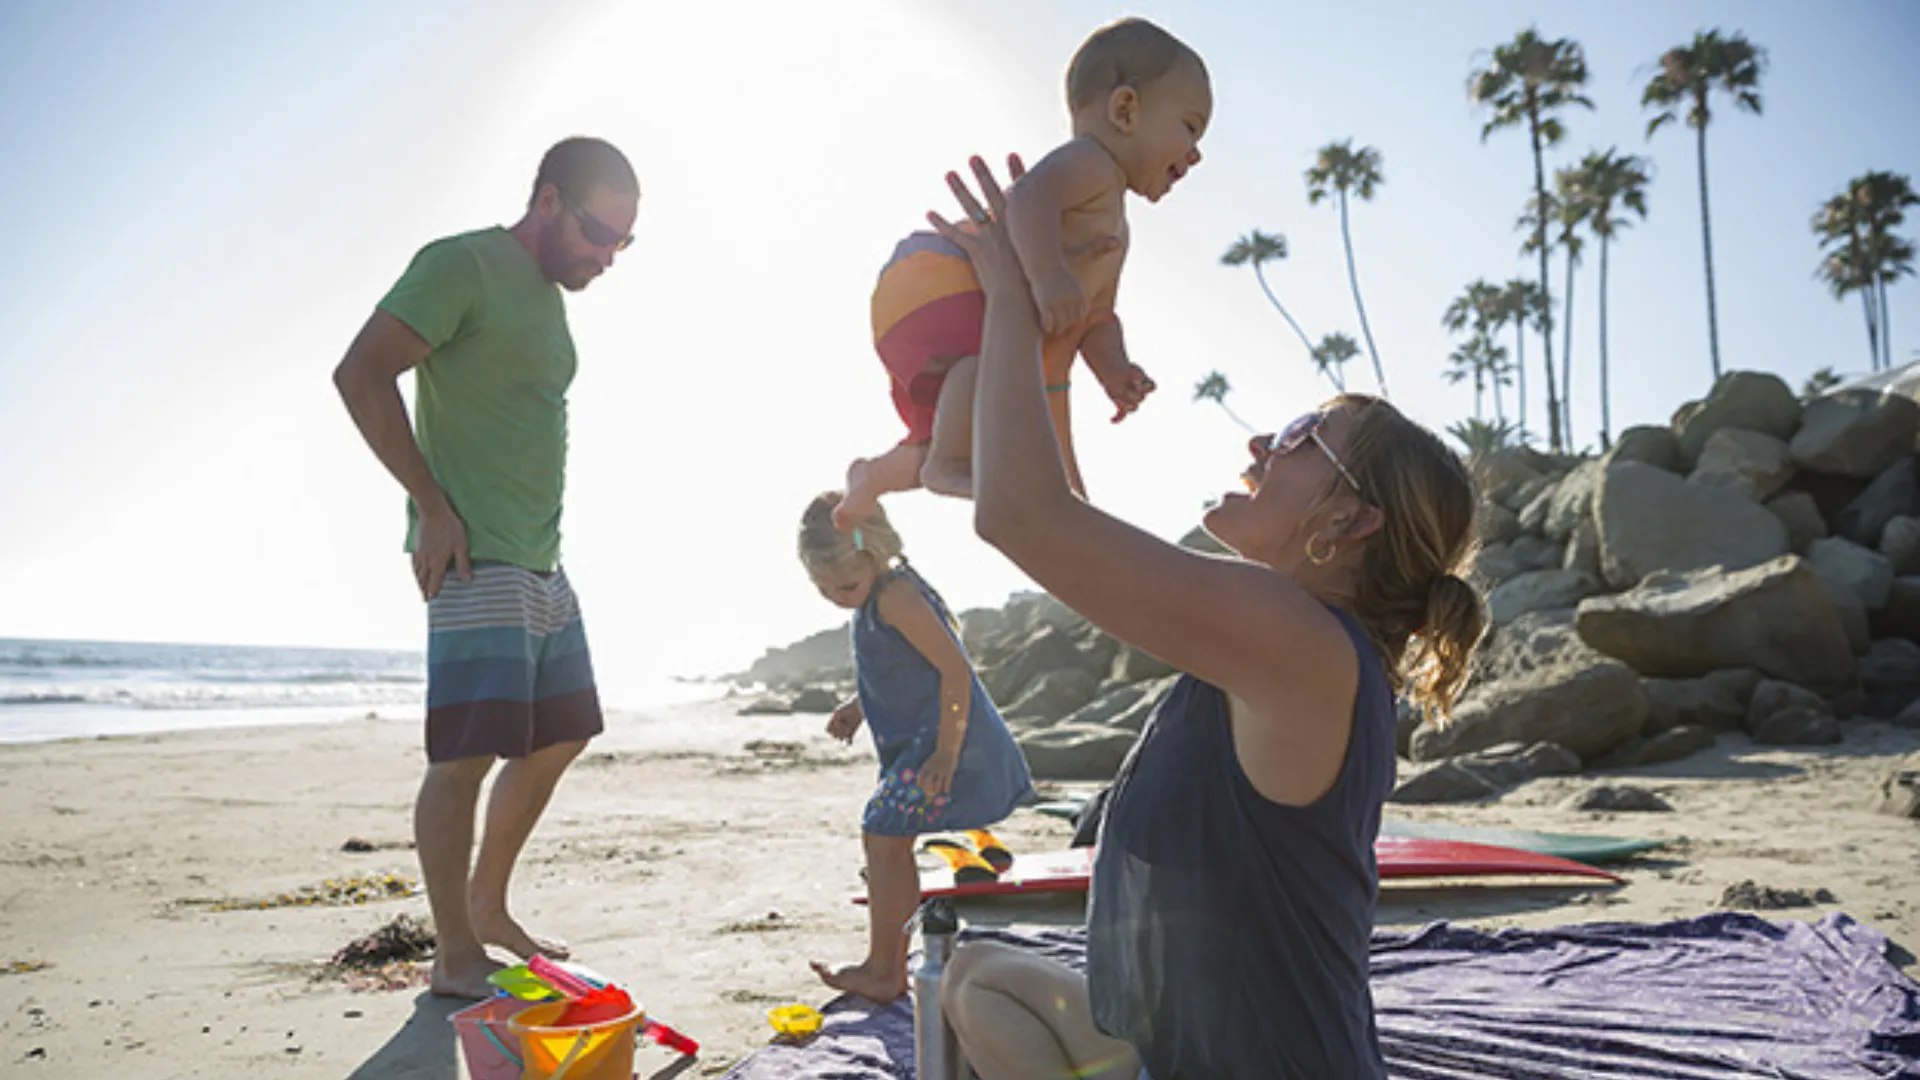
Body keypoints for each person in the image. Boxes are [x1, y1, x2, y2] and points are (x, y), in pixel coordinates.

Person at [927, 159, 1485, 1078]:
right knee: (982, 977)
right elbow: (1065, 517)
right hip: (1210, 1054)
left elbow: (1023, 517)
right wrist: (1050, 359)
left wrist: (1015, 299)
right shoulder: (1292, 644)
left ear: (1348, 524)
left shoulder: (1298, 643)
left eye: (1305, 435)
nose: (1267, 440)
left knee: (982, 987)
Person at [331, 137, 640, 999]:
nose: (607, 256)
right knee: (464, 759)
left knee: (564, 732)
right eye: (596, 233)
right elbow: (360, 372)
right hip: (477, 555)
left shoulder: (548, 298)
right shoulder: (460, 264)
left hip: (541, 558)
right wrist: (430, 504)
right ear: (546, 200)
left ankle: (488, 907)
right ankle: (455, 953)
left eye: (623, 241)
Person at [833, 16, 1213, 528]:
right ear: (1125, 110)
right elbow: (1032, 197)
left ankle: (876, 476)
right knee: (986, 371)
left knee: (963, 416)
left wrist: (1115, 369)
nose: (1197, 152)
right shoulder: (1092, 165)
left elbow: (1097, 317)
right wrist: (1048, 275)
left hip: (927, 297)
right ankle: (947, 466)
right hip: (942, 275)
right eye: (1189, 126)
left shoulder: (1115, 226)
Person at [797, 493, 1036, 1003]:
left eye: (844, 585)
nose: (837, 597)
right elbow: (900, 668)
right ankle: (884, 964)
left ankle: (884, 970)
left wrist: (947, 753)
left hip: (948, 744)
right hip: (925, 745)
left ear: (876, 552)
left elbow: (954, 670)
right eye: (822, 589)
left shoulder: (895, 595)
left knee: (883, 834)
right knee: (885, 837)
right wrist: (857, 706)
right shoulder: (873, 596)